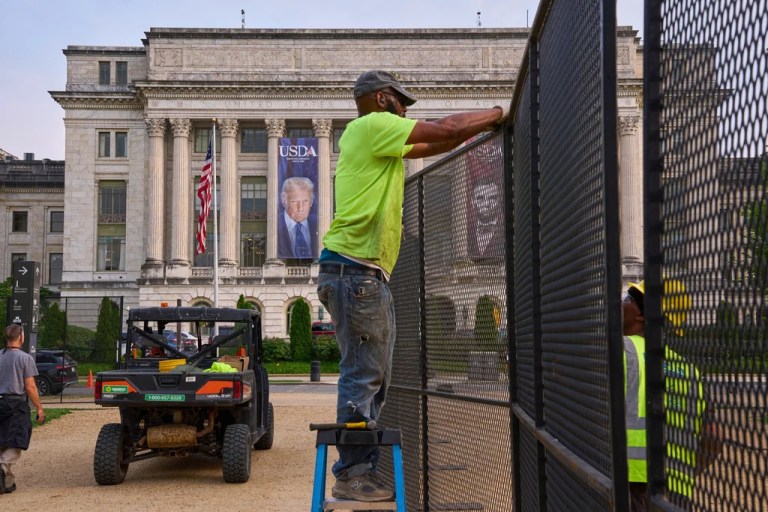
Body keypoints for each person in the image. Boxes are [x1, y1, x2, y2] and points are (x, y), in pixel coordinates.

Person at [317, 69, 508, 502]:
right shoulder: (373, 125)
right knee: (364, 373)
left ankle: (358, 468)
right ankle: (352, 474)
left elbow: (440, 140)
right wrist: (500, 112)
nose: (405, 112)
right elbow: (445, 128)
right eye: (402, 103)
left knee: (373, 373)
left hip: (357, 273)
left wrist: (472, 134)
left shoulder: (370, 137)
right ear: (384, 99)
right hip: (355, 272)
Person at [622, 280, 721, 511]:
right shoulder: (689, 370)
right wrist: (683, 472)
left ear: (642, 316)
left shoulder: (623, 351)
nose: (621, 303)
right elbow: (714, 439)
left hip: (631, 484)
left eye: (628, 299)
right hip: (676, 493)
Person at [0, 324, 45, 494]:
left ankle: (7, 482)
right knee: (18, 439)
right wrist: (39, 408)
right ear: (21, 337)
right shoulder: (25, 358)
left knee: (2, 439)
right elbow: (30, 387)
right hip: (16, 404)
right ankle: (3, 466)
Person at [277, 176, 318, 259]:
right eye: (294, 202)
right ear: (284, 201)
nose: (300, 208)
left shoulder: (319, 223)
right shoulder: (274, 224)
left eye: (305, 201)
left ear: (311, 202)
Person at [468, 176, 504, 261]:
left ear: (499, 200)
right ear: (473, 202)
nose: (487, 204)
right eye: (480, 198)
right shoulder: (466, 233)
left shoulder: (507, 231)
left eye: (492, 198)